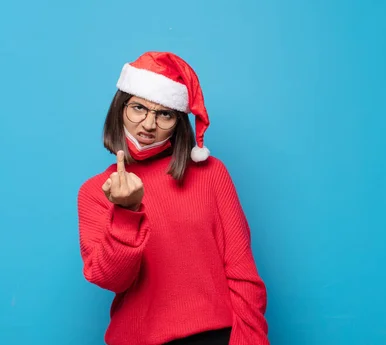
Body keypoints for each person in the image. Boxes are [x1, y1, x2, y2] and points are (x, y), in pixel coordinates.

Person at [76, 51, 270, 345]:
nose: (149, 124)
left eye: (164, 113)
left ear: (179, 122)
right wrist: (126, 212)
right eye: (138, 108)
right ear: (120, 109)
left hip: (214, 337)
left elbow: (243, 274)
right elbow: (112, 279)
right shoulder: (96, 191)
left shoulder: (211, 174)